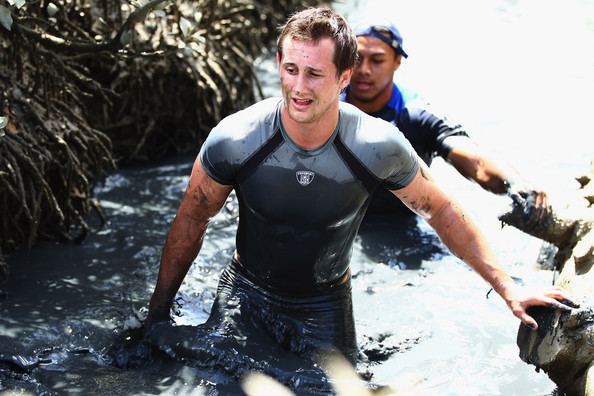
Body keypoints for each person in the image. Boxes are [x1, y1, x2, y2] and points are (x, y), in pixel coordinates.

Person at [145, 7, 572, 369]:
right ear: (278, 61)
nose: (298, 86)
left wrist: (509, 288)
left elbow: (441, 211)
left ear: (343, 76)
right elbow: (193, 217)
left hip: (324, 305)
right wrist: (157, 315)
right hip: (245, 291)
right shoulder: (235, 138)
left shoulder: (378, 145)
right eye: (290, 69)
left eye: (314, 74)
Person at [342, 18, 550, 221]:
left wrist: (514, 184)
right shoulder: (326, 106)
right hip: (336, 220)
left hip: (400, 225)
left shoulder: (416, 115)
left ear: (397, 61)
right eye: (357, 59)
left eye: (377, 60)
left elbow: (474, 160)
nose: (364, 70)